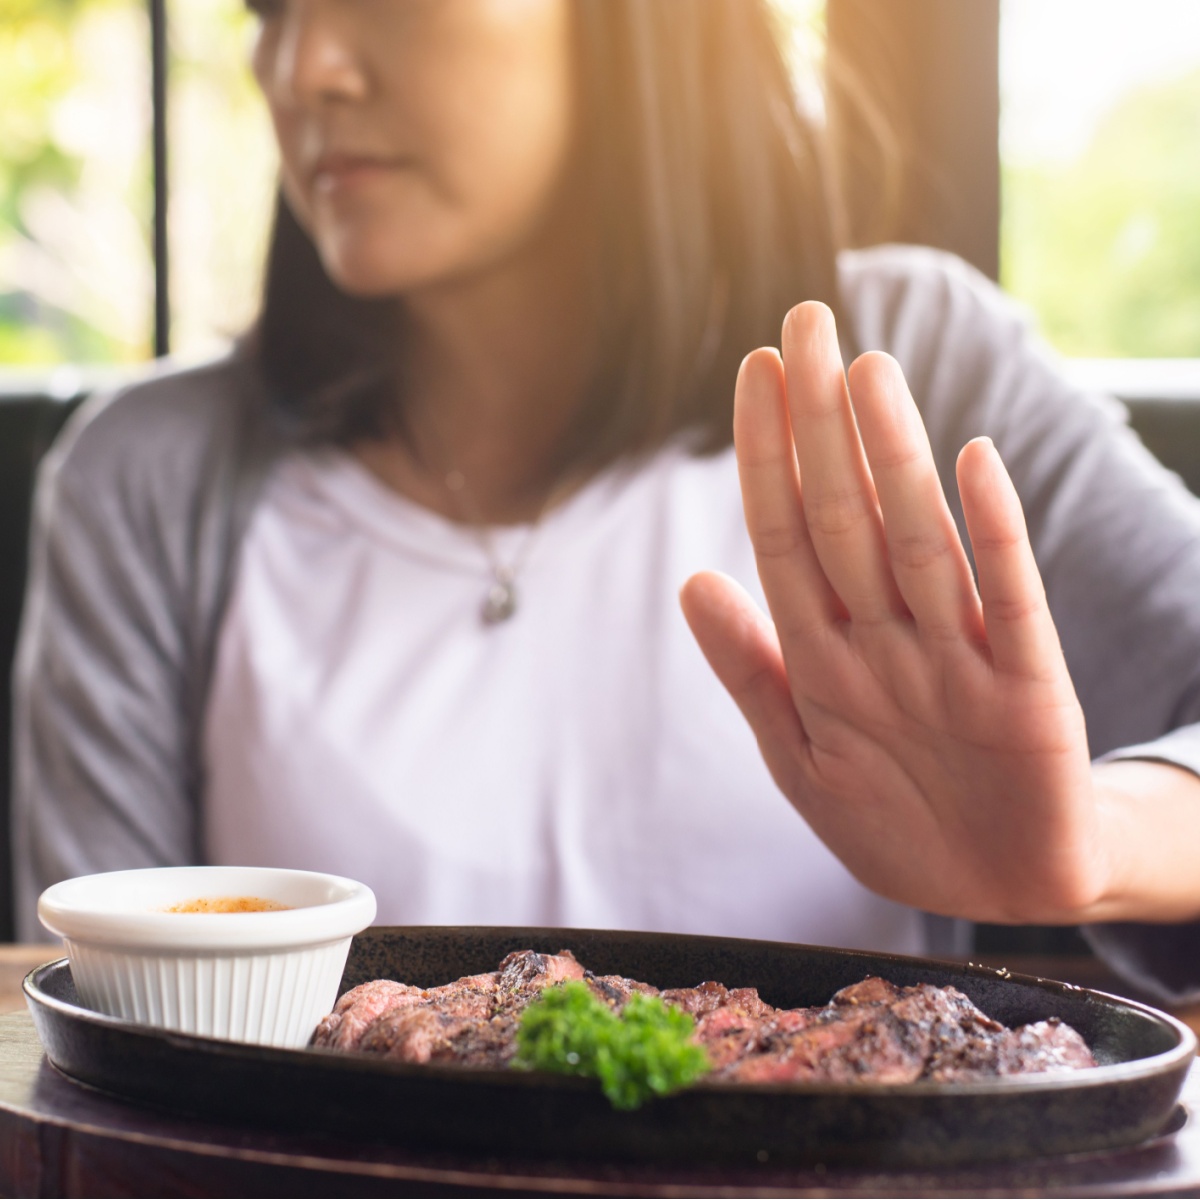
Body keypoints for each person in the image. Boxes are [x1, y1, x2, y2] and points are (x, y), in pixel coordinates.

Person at [13, 0, 1200, 999]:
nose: (304, 66)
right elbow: (101, 1028)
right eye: (269, 7)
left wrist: (1091, 846)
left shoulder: (916, 371)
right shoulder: (147, 481)